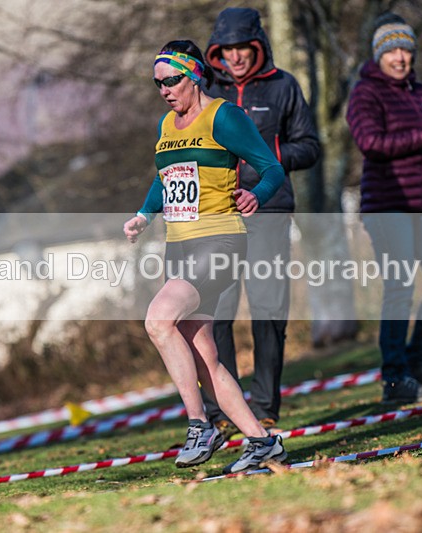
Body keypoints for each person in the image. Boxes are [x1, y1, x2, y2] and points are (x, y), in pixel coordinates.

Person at [123, 40, 289, 474]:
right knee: (204, 357)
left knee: (158, 321)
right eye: (157, 83)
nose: (164, 89)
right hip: (178, 246)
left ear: (194, 74)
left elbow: (272, 169)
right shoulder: (166, 125)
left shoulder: (225, 117)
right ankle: (262, 441)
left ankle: (201, 424)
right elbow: (166, 178)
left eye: (171, 80)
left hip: (219, 242)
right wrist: (144, 214)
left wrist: (256, 195)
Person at [200, 7, 321, 438]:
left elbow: (309, 148)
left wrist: (266, 152)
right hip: (216, 216)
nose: (234, 57)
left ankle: (266, 408)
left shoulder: (284, 86)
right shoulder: (206, 90)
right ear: (217, 51)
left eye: (242, 48)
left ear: (258, 46)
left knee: (269, 310)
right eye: (226, 49)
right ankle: (225, 410)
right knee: (217, 314)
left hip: (267, 211)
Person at [345, 13, 422, 405]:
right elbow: (370, 143)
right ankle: (395, 378)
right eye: (392, 50)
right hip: (387, 206)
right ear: (379, 55)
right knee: (400, 287)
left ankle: (419, 362)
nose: (400, 57)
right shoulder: (365, 93)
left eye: (406, 50)